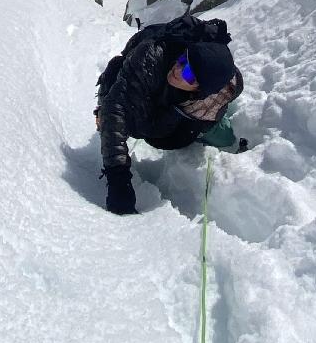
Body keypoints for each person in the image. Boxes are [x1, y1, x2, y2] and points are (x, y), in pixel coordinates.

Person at [96, 12, 248, 215]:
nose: (179, 69)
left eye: (188, 75)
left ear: (200, 91)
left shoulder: (225, 89)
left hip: (184, 109)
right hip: (145, 95)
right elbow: (116, 108)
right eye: (184, 60)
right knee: (118, 111)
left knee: (216, 129)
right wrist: (118, 179)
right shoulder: (151, 59)